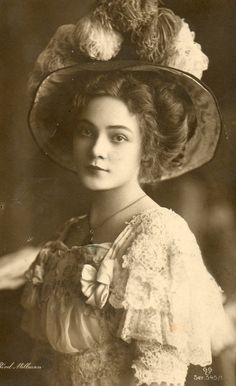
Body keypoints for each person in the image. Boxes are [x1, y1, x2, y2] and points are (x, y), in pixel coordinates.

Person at [19, 1, 235, 385]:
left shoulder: (161, 235)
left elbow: (159, 379)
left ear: (146, 148)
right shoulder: (67, 235)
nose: (97, 149)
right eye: (87, 131)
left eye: (118, 137)